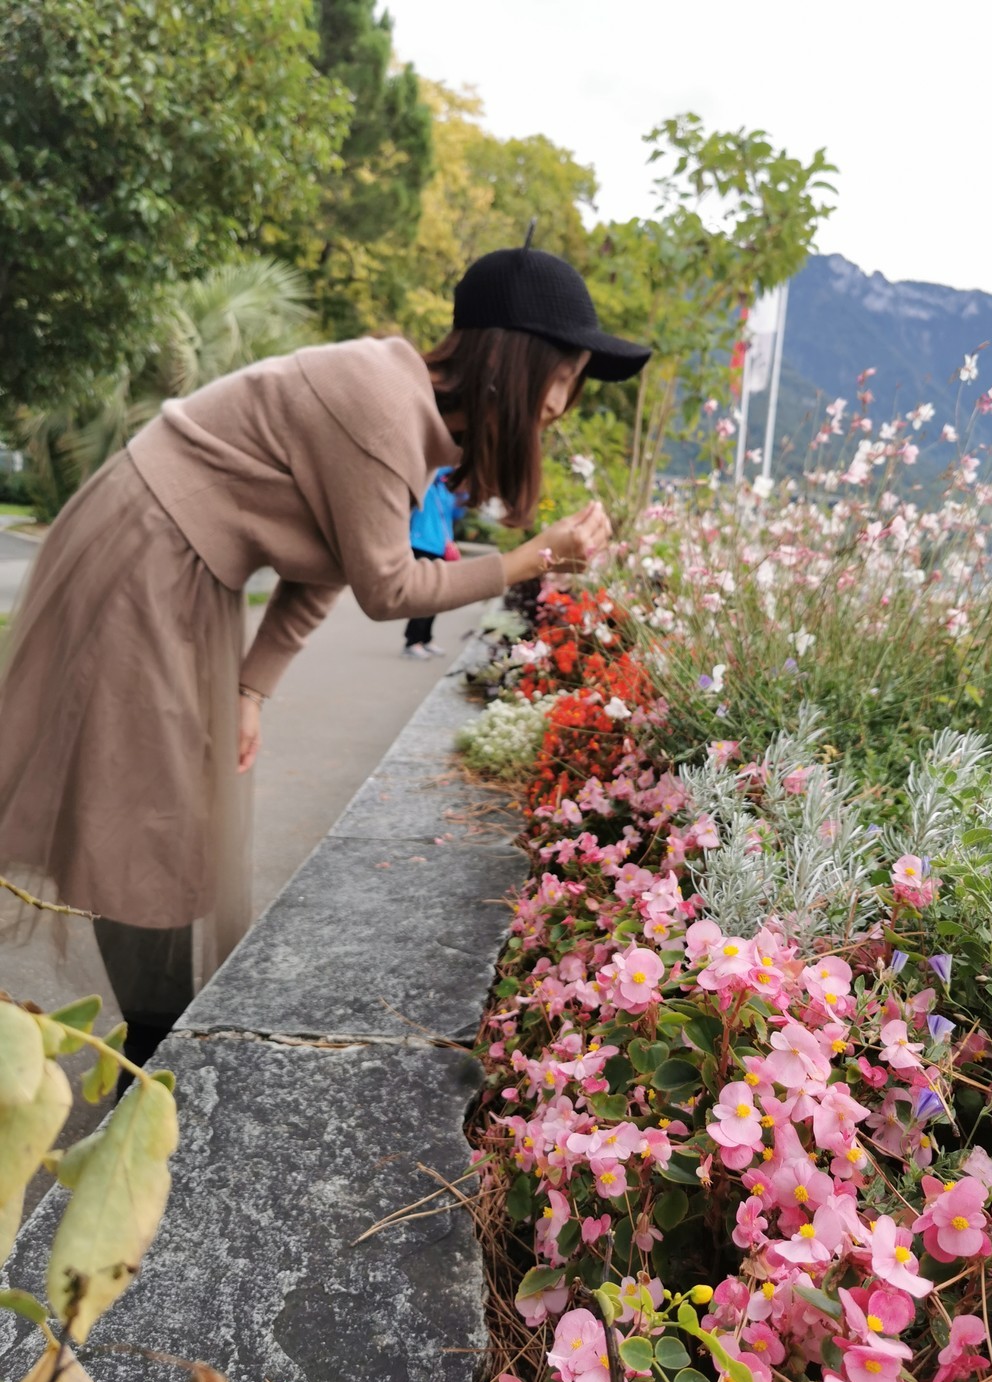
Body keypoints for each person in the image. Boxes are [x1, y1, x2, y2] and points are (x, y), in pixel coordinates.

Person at [0, 241, 650, 1065]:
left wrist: (251, 687)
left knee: (166, 803)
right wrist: (527, 561)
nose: (565, 403)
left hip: (178, 559)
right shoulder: (380, 404)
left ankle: (161, 1035)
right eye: (568, 374)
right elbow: (387, 587)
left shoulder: (406, 416)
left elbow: (326, 566)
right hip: (147, 552)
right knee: (151, 809)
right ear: (518, 363)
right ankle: (158, 1045)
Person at [402, 466, 466, 659]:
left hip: (441, 548)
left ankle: (426, 639)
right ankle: (413, 641)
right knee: (424, 594)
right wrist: (457, 466)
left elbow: (456, 514)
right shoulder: (427, 483)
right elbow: (434, 467)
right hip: (422, 545)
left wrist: (464, 493)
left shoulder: (444, 490)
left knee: (437, 595)